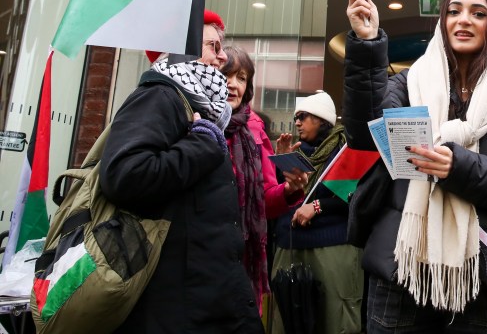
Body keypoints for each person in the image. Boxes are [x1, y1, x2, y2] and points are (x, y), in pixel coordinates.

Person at [343, 0, 487, 333]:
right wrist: (367, 45)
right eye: (454, 11)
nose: (463, 20)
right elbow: (364, 132)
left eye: (478, 13)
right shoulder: (407, 85)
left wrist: (459, 167)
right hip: (403, 274)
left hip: (483, 280)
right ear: (443, 23)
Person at [98, 54, 263, 333]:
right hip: (179, 301)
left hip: (207, 293)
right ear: (185, 52)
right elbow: (125, 175)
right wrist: (203, 141)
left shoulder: (203, 109)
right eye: (213, 45)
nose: (221, 55)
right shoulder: (161, 95)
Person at [222, 46, 307, 314]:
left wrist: (289, 190)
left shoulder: (254, 129)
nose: (233, 84)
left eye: (242, 77)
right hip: (197, 254)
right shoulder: (194, 121)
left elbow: (265, 201)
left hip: (242, 258)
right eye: (226, 74)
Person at [271, 92, 364, 334]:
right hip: (289, 247)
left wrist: (317, 206)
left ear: (322, 120)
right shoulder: (293, 152)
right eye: (296, 117)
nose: (297, 122)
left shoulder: (346, 151)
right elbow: (279, 196)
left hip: (332, 248)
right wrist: (279, 162)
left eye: (303, 116)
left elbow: (354, 198)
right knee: (286, 322)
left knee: (334, 322)